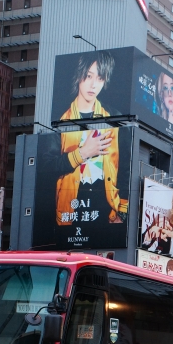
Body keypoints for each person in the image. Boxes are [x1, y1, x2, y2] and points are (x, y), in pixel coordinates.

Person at [51, 52, 127, 233]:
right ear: (79, 76)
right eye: (88, 76)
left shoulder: (114, 117)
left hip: (106, 206)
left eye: (100, 79)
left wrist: (122, 212)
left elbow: (125, 167)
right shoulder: (61, 119)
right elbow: (48, 166)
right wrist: (83, 153)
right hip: (70, 208)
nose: (93, 85)